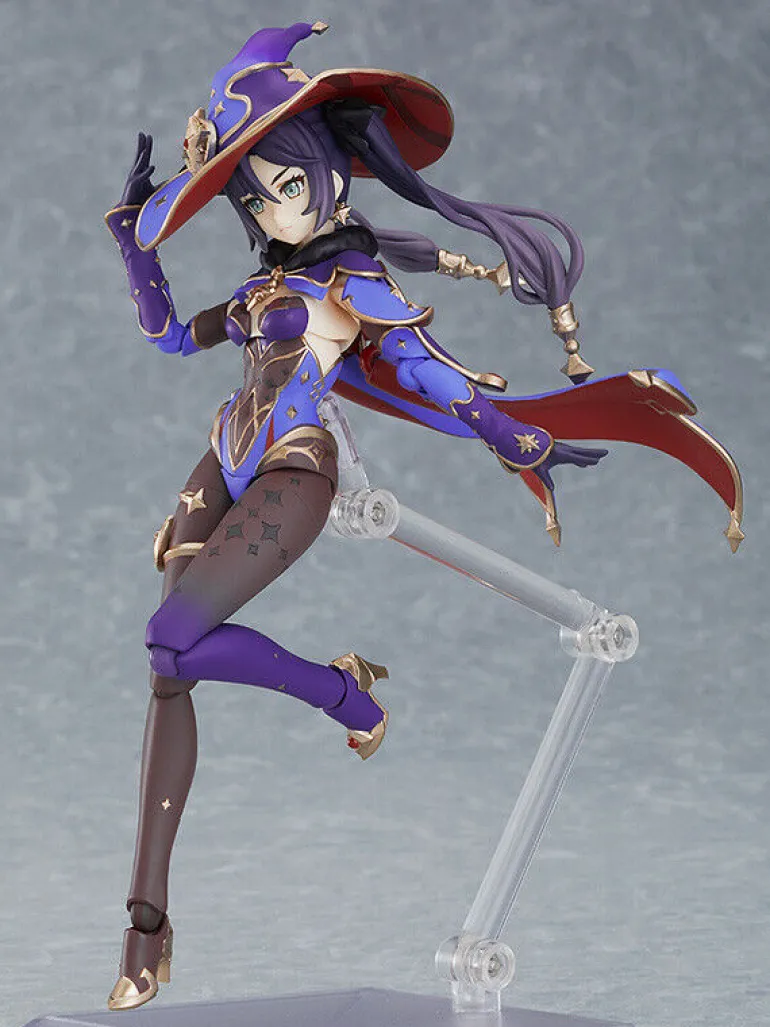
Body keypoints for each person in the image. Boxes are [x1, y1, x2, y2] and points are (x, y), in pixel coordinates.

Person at [104, 21, 743, 1010]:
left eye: (286, 184)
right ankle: (148, 929)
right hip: (219, 461)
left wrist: (506, 429)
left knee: (170, 638)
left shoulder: (355, 283)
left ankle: (341, 694)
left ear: (331, 179)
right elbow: (165, 339)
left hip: (292, 464)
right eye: (252, 196)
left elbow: (422, 368)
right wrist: (130, 240)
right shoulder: (261, 284)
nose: (270, 208)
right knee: (167, 668)